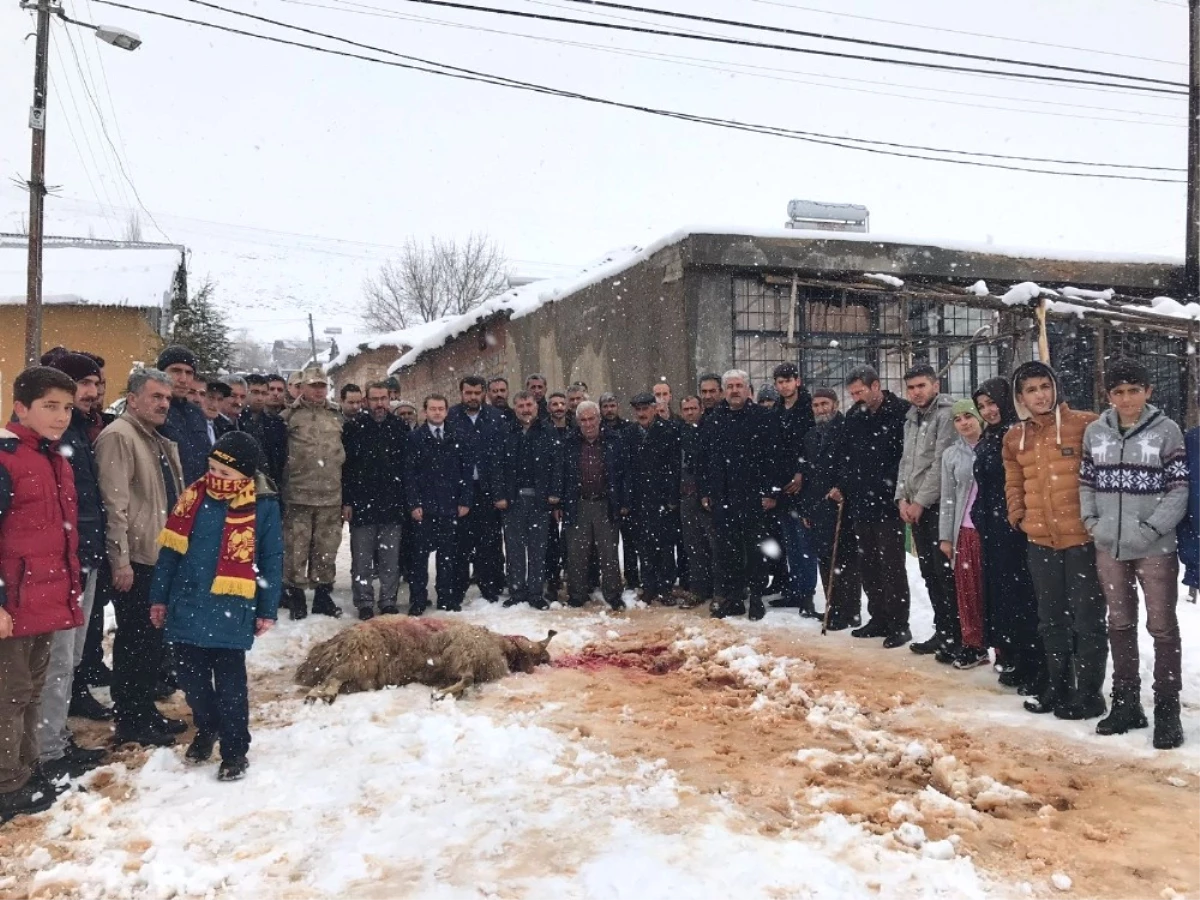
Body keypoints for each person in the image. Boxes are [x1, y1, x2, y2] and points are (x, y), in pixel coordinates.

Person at [149, 432, 283, 782]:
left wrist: (267, 607)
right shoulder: (192, 497)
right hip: (188, 603)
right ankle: (207, 728)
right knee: (192, 683)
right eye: (211, 469)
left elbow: (271, 558)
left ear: (245, 476)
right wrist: (159, 597)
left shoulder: (263, 504)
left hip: (231, 607)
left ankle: (235, 749)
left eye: (224, 474)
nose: (215, 479)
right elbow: (170, 553)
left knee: (231, 688)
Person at [1080, 359, 1187, 747]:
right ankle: (1126, 702)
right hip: (1109, 546)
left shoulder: (1166, 431)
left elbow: (1179, 489)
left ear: (1148, 392)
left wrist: (1152, 528)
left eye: (1134, 390)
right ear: (1108, 395)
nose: (1127, 399)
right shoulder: (1096, 433)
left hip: (1155, 548)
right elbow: (1086, 484)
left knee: (1162, 627)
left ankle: (1167, 708)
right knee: (1119, 623)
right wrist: (1093, 523)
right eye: (1119, 392)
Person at [0, 367, 86, 821]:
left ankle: (26, 770)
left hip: (45, 599)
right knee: (8, 695)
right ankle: (5, 783)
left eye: (67, 408)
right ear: (21, 408)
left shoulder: (55, 458)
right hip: (12, 605)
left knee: (31, 691)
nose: (61, 416)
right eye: (50, 406)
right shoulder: (5, 458)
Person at [1003, 361, 1106, 720]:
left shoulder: (1086, 424)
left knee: (1088, 619)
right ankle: (1059, 686)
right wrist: (1018, 512)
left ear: (1056, 387)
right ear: (1021, 397)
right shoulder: (1015, 437)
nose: (1040, 395)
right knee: (1050, 619)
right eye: (1031, 389)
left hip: (1082, 541)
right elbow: (1014, 481)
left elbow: (1103, 473)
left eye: (1044, 386)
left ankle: (1089, 692)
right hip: (1041, 542)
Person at [95, 369, 186, 747]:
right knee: (135, 641)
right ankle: (131, 720)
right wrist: (121, 561)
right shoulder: (119, 437)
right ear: (133, 399)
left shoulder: (150, 437)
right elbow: (113, 506)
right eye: (156, 396)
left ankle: (144, 711)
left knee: (150, 643)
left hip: (158, 554)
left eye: (167, 397)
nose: (164, 403)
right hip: (137, 559)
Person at [36, 354, 111, 779]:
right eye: (84, 383)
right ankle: (44, 752)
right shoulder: (40, 439)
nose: (93, 392)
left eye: (96, 384)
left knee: (72, 656)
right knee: (53, 663)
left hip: (84, 559)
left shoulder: (79, 431)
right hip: (58, 569)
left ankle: (55, 740)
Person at [829, 365, 911, 647]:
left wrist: (893, 488)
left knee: (892, 565)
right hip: (860, 502)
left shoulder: (901, 412)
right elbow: (846, 455)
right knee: (869, 564)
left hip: (888, 502)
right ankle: (878, 617)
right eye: (852, 394)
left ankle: (899, 623)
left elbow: (904, 457)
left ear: (875, 386)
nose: (856, 398)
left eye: (860, 392)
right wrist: (843, 483)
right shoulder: (854, 416)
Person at [971, 378, 1042, 694]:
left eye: (992, 403)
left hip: (1015, 528)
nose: (988, 410)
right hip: (992, 529)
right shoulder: (989, 438)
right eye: (982, 406)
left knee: (1023, 596)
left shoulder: (1019, 435)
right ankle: (1011, 655)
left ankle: (1032, 662)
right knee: (1001, 596)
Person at [701, 371, 779, 621]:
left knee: (755, 550)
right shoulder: (713, 420)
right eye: (730, 386)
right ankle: (733, 598)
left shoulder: (763, 418)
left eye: (739, 386)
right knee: (727, 551)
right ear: (724, 391)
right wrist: (707, 491)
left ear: (748, 389)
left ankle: (756, 597)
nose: (734, 390)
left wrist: (769, 492)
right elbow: (706, 458)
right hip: (723, 497)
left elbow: (771, 458)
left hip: (752, 496)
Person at [896, 363, 959, 658]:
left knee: (945, 574)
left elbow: (939, 464)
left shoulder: (946, 415)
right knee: (929, 573)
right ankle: (942, 630)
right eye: (910, 388)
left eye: (921, 386)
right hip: (914, 507)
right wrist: (901, 499)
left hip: (938, 506)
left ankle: (956, 636)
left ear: (935, 385)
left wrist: (920, 501)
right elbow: (906, 463)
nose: (916, 392)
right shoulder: (911, 419)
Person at [279, 366, 345, 620]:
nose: (318, 390)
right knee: (296, 550)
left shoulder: (337, 415)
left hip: (331, 495)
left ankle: (322, 597)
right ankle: (296, 597)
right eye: (313, 385)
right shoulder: (289, 417)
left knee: (326, 549)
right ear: (302, 387)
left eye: (322, 386)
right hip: (298, 495)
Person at [343, 382, 409, 619]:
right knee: (362, 559)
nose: (380, 404)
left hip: (392, 504)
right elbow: (347, 468)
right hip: (362, 504)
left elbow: (407, 468)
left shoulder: (400, 428)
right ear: (365, 402)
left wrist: (407, 500)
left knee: (390, 559)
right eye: (375, 399)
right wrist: (348, 501)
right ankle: (364, 602)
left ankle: (388, 600)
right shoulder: (354, 429)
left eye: (384, 398)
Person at [799, 388, 861, 630]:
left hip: (841, 503)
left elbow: (854, 463)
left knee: (847, 560)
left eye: (824, 404)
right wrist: (806, 509)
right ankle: (833, 608)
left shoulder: (847, 430)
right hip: (818, 505)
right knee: (825, 559)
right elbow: (807, 475)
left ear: (835, 404)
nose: (820, 409)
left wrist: (842, 486)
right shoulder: (811, 436)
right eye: (816, 405)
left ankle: (851, 612)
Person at [494, 391, 562, 610]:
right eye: (521, 405)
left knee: (537, 549)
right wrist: (499, 495)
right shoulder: (505, 432)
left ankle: (535, 592)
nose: (525, 409)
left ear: (536, 406)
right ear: (515, 409)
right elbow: (496, 468)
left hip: (539, 500)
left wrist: (554, 493)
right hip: (513, 501)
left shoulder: (547, 431)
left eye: (529, 405)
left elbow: (556, 465)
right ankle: (517, 591)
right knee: (514, 548)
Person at [405, 394, 472, 614]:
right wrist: (414, 503)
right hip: (424, 508)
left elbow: (466, 471)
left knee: (447, 556)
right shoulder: (415, 438)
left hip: (450, 505)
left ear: (446, 411)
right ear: (425, 411)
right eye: (432, 409)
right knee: (419, 558)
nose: (437, 412)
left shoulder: (457, 436)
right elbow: (410, 475)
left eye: (441, 409)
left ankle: (446, 596)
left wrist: (464, 500)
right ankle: (418, 599)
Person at [937, 400, 991, 670]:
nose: (964, 423)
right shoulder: (951, 455)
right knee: (967, 591)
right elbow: (948, 497)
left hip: (992, 530)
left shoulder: (995, 446)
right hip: (965, 530)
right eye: (958, 419)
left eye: (969, 416)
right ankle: (974, 644)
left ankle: (1003, 646)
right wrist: (946, 536)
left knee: (993, 590)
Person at [445, 375, 507, 604]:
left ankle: (489, 589)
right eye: (468, 393)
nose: (472, 397)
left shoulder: (496, 418)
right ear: (461, 393)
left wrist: (500, 492)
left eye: (476, 393)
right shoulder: (450, 417)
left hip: (487, 490)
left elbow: (502, 457)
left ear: (484, 393)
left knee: (488, 543)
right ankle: (457, 590)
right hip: (460, 491)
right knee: (459, 544)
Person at [561, 401, 628, 610]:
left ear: (599, 419)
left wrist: (623, 501)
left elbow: (624, 473)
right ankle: (577, 594)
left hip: (605, 503)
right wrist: (560, 502)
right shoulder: (569, 443)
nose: (588, 424)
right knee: (577, 552)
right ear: (577, 422)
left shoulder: (614, 441)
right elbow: (562, 475)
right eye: (583, 420)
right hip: (578, 503)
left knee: (609, 552)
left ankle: (613, 594)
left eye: (591, 419)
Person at [771, 363, 818, 617]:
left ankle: (807, 594)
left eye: (787, 380)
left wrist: (802, 471)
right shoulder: (777, 410)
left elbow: (811, 444)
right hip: (783, 485)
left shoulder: (808, 407)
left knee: (804, 541)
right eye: (779, 381)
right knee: (789, 541)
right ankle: (794, 589)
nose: (784, 385)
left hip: (805, 485)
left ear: (797, 381)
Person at [678, 395, 716, 610]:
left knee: (714, 545)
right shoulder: (680, 432)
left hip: (707, 496)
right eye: (686, 409)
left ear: (701, 408)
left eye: (693, 408)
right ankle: (699, 588)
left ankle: (719, 590)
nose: (690, 412)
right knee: (693, 546)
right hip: (686, 496)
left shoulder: (709, 430)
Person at [157, 346, 212, 484]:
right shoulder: (154, 410)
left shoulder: (196, 414)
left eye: (189, 373)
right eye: (176, 371)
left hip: (196, 498)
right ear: (161, 373)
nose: (183, 379)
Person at [544, 392, 573, 600]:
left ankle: (576, 579)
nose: (559, 407)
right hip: (551, 496)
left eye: (562, 403)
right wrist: (555, 501)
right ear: (548, 407)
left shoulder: (574, 430)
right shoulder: (544, 431)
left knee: (572, 541)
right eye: (554, 404)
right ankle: (552, 580)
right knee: (551, 542)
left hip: (572, 492)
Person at [239, 374, 288, 489]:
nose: (260, 398)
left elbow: (279, 459)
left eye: (264, 393)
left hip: (269, 486)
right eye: (255, 392)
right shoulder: (236, 422)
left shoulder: (276, 423)